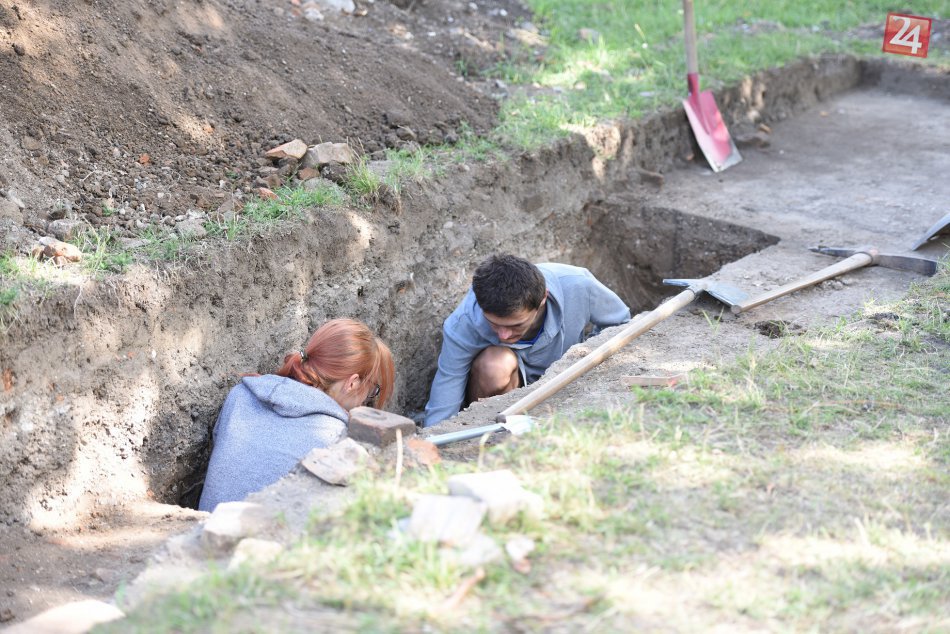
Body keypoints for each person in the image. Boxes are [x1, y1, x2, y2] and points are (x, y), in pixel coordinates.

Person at [198, 318, 395, 512]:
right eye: (372, 391)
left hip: (201, 535)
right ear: (352, 383)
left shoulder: (240, 396)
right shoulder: (337, 438)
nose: (364, 401)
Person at [424, 254, 630, 427]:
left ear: (543, 300)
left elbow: (620, 324)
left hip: (569, 382)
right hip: (508, 391)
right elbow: (447, 386)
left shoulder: (577, 285)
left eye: (515, 325)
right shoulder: (463, 323)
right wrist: (433, 439)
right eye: (494, 324)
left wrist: (584, 356)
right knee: (495, 364)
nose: (503, 336)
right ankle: (490, 432)